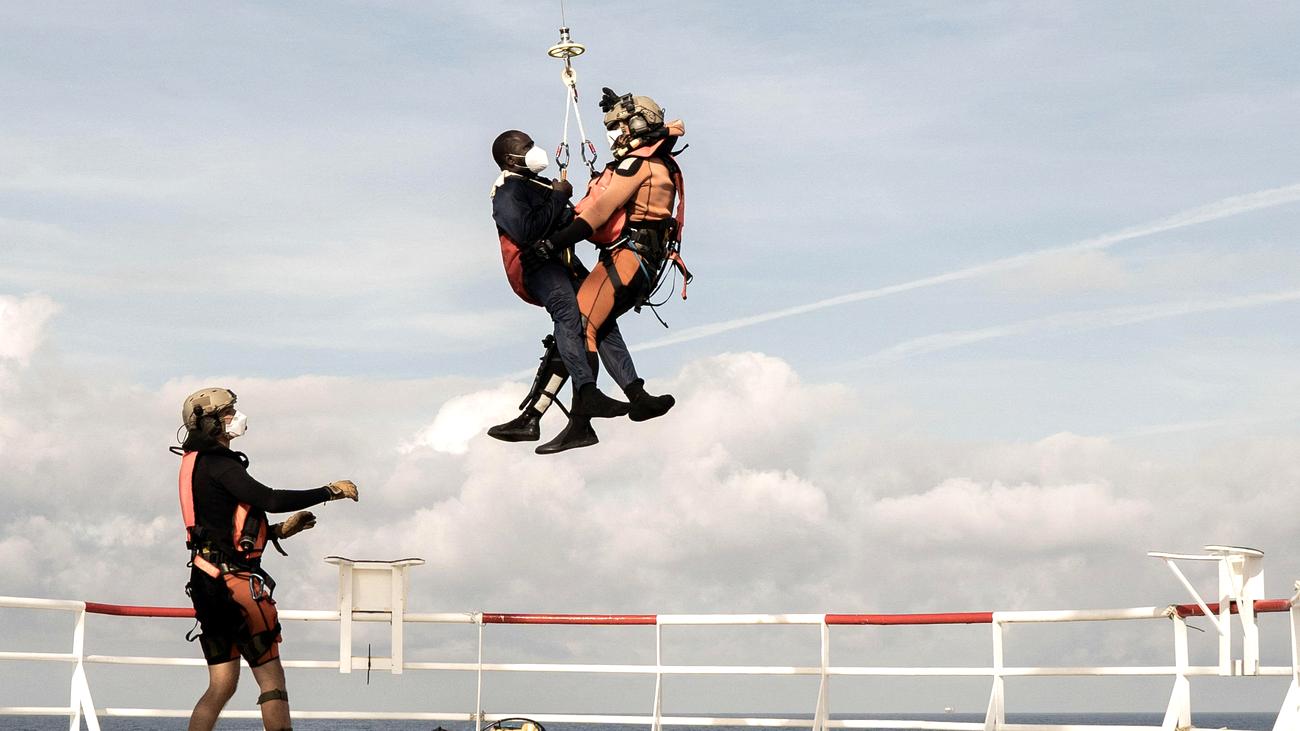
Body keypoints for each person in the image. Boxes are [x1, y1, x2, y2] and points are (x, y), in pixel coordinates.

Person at [175, 387, 359, 731]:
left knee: (221, 685)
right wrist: (330, 491)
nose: (236, 417)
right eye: (229, 413)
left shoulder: (194, 464)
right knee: (272, 681)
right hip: (235, 586)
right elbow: (269, 499)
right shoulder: (220, 463)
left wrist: (276, 532)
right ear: (210, 422)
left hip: (205, 583)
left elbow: (219, 528)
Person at [488, 129, 666, 454]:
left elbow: (569, 221)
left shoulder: (539, 185)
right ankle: (586, 393)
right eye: (526, 147)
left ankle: (635, 395)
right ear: (510, 160)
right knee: (570, 315)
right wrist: (559, 197)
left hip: (562, 262)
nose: (534, 150)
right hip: (537, 268)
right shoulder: (508, 191)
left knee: (601, 320)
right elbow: (526, 231)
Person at [527, 88, 685, 429]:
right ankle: (638, 397)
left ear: (636, 124)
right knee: (600, 325)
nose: (613, 134)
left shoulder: (637, 164)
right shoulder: (660, 163)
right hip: (644, 262)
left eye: (617, 126)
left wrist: (553, 243)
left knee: (579, 325)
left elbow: (600, 212)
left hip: (627, 257)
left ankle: (575, 415)